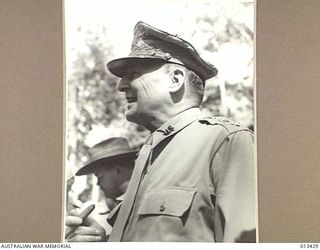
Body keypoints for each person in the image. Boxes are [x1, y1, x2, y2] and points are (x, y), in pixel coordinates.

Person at [104, 21, 256, 242]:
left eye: (134, 73)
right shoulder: (148, 153)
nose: (121, 86)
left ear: (175, 79)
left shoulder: (225, 142)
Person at [65, 137, 137, 242]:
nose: (98, 184)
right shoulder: (95, 211)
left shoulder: (144, 205)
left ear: (117, 171)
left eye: (99, 176)